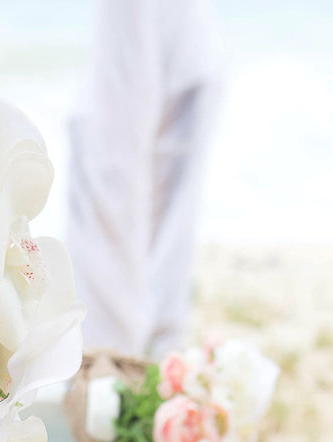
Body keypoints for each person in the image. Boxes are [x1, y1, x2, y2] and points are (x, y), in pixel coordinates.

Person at [67, 0, 223, 358]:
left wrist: (105, 356)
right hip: (186, 65)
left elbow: (115, 157)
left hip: (119, 337)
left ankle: (128, 366)